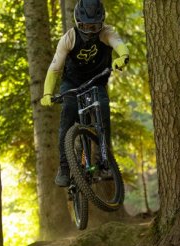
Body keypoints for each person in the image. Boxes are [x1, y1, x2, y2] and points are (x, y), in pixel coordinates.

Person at [40, 0, 129, 187]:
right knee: (67, 116)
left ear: (102, 22)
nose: (89, 30)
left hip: (97, 82)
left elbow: (120, 46)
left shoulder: (107, 33)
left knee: (103, 111)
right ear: (77, 22)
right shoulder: (69, 38)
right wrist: (47, 93)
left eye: (94, 26)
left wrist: (122, 57)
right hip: (72, 84)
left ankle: (103, 160)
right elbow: (55, 68)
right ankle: (64, 168)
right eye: (85, 26)